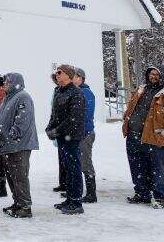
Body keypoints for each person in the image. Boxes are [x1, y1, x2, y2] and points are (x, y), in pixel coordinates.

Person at [122, 65, 164, 208]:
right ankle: (142, 193)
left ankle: (160, 196)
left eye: (157, 74)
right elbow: (131, 108)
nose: (153, 76)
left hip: (155, 139)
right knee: (137, 166)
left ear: (163, 76)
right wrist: (126, 120)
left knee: (159, 169)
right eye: (151, 73)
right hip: (134, 135)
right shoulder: (140, 90)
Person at [0, 73, 39, 218]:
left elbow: (22, 121)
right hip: (8, 144)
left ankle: (25, 207)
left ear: (16, 83)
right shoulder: (8, 97)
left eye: (8, 82)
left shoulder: (22, 96)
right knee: (11, 175)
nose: (5, 84)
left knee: (19, 176)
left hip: (20, 144)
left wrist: (12, 135)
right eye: (5, 82)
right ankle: (17, 202)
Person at [46, 64, 86, 215]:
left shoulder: (76, 93)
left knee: (74, 168)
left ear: (68, 76)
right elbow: (55, 113)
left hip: (72, 136)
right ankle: (69, 198)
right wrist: (50, 128)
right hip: (62, 136)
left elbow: (73, 119)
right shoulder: (58, 91)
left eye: (60, 73)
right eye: (56, 73)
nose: (57, 75)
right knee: (67, 168)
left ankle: (76, 201)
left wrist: (57, 130)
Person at [73, 67, 97, 203]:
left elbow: (86, 114)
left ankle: (91, 193)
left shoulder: (86, 93)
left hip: (85, 134)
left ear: (80, 78)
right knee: (79, 162)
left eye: (74, 76)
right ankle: (77, 190)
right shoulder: (77, 91)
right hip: (78, 133)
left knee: (85, 162)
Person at [49, 72, 66, 194]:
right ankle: (63, 182)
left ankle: (70, 188)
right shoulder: (57, 90)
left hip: (66, 132)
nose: (57, 80)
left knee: (70, 161)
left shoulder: (74, 92)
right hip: (59, 131)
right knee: (62, 159)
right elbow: (54, 110)